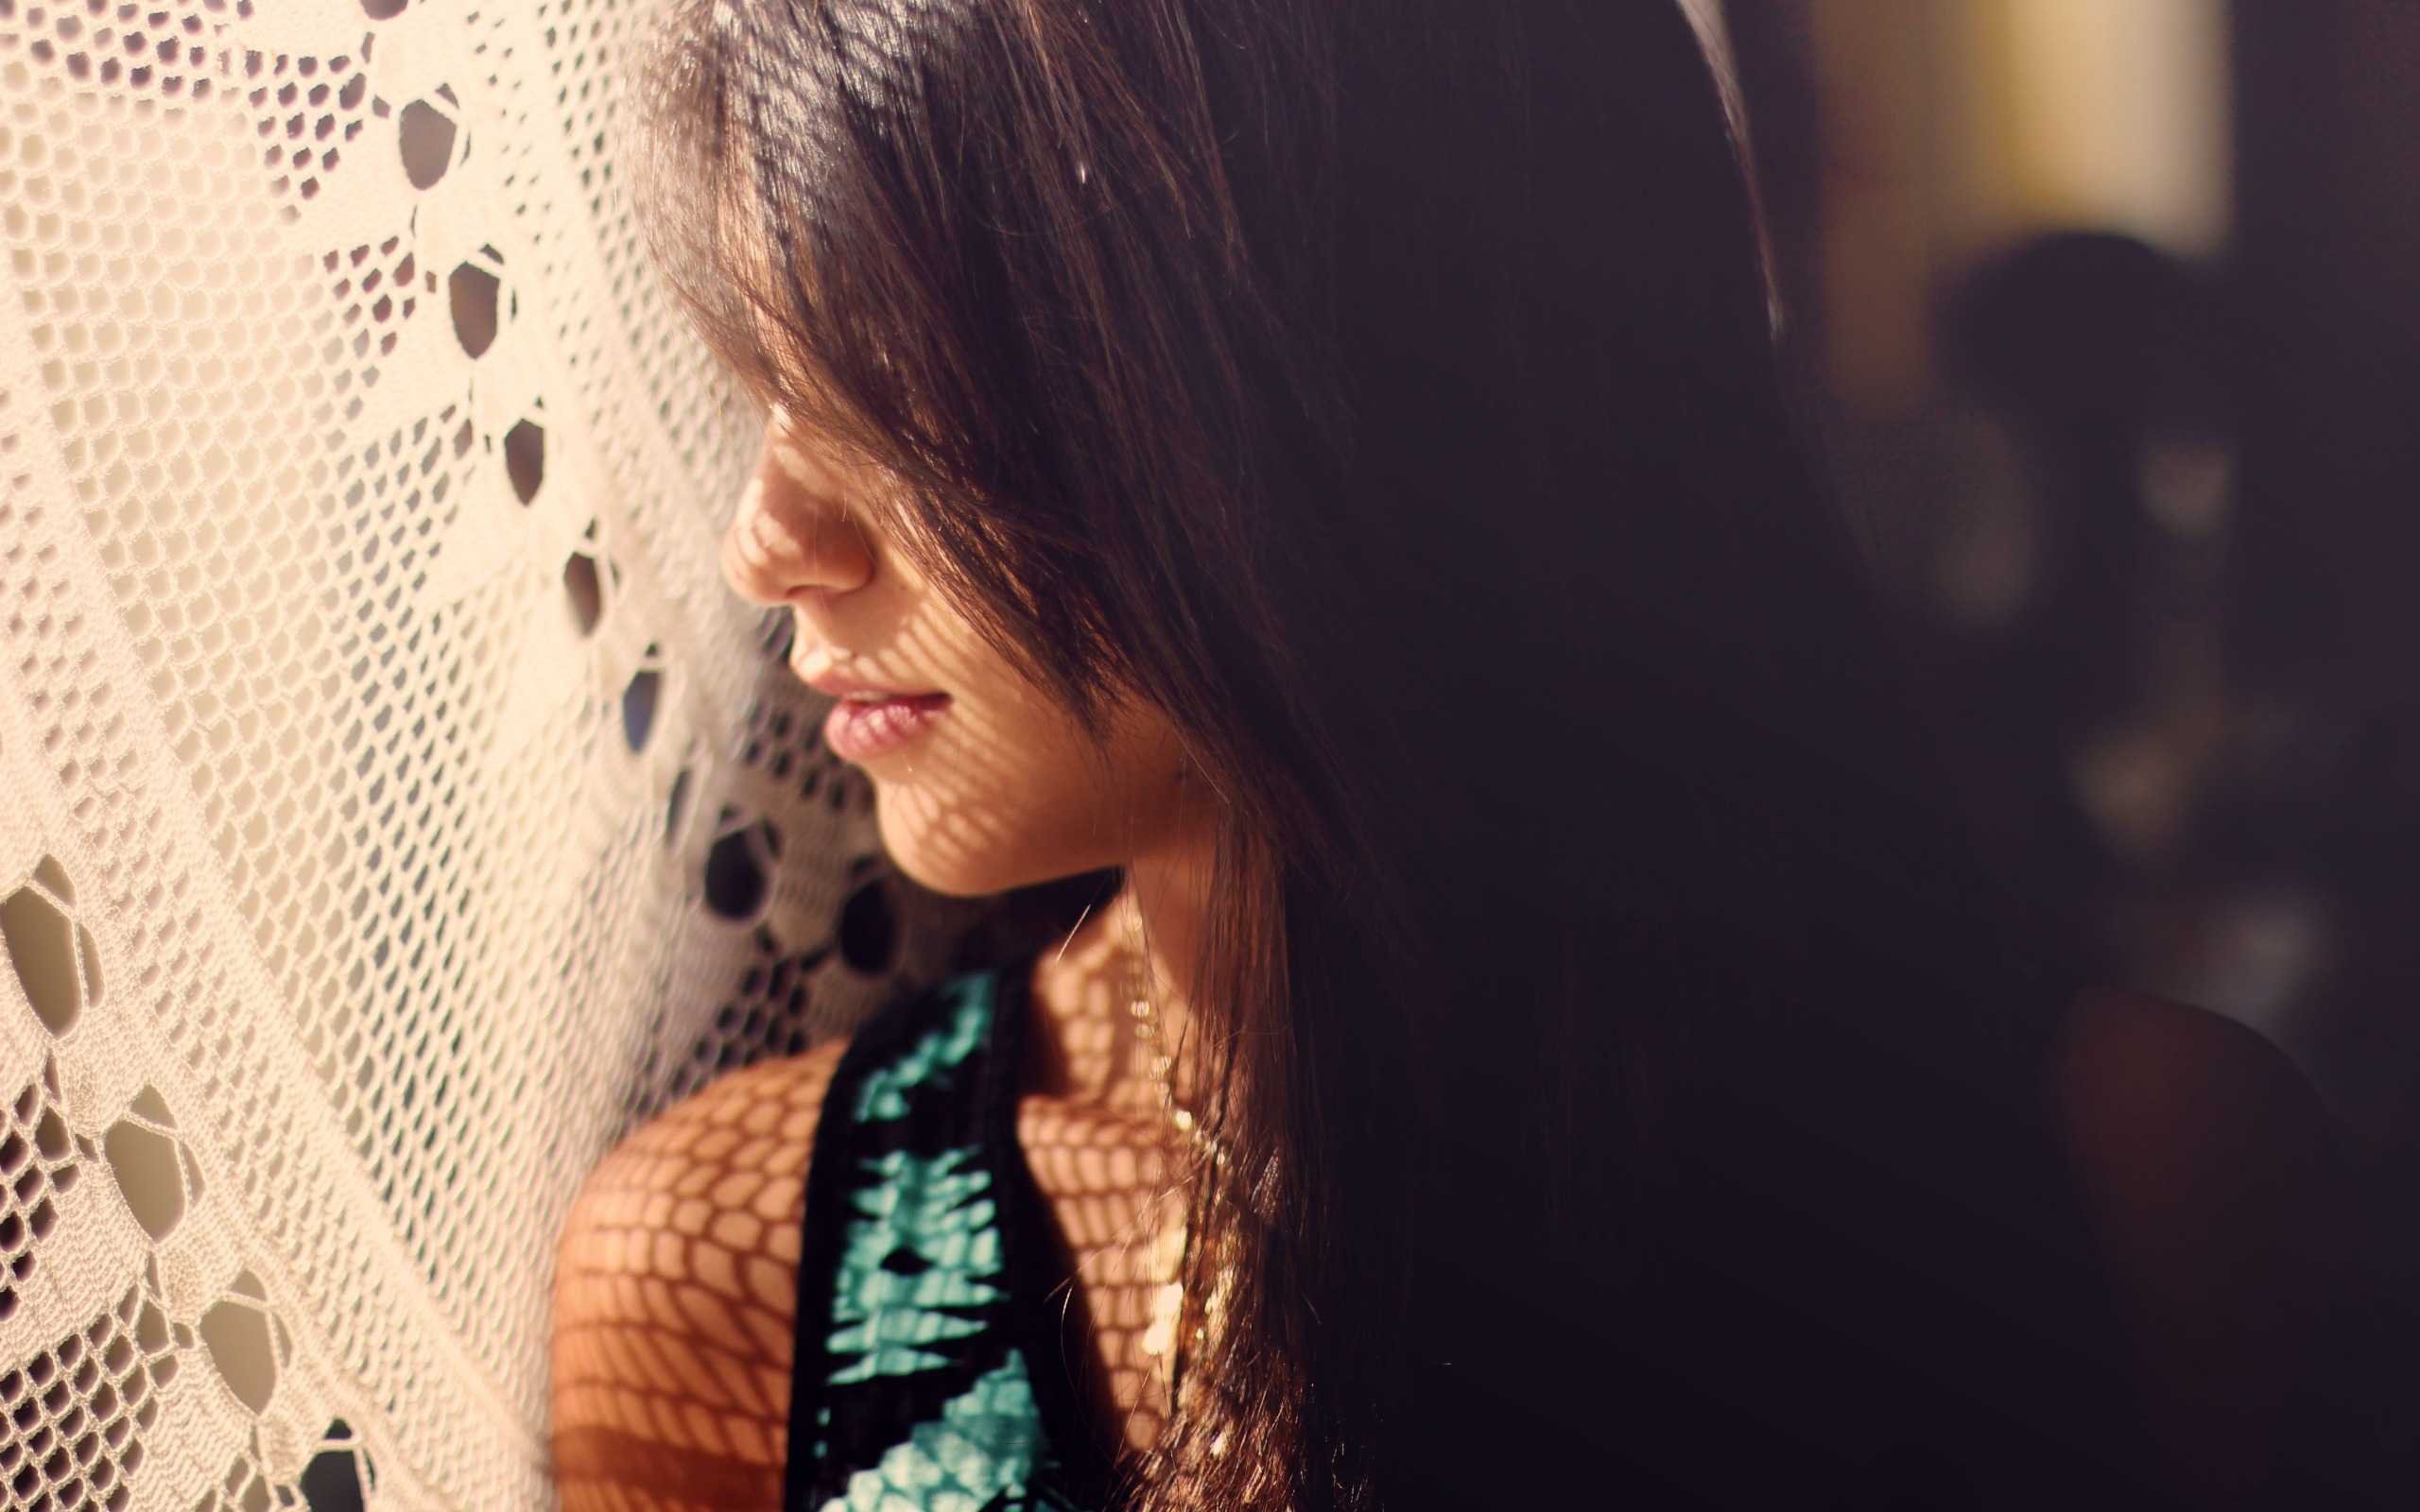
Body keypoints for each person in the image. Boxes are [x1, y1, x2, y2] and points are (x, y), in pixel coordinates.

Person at [549, 3, 2374, 1507]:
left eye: (894, 391)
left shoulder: (2126, 1189)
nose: (771, 543)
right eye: (764, 388)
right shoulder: (742, 1282)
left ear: (1339, 364)